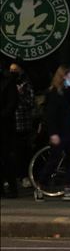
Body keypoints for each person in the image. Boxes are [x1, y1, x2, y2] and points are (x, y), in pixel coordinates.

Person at [36, 66, 70, 201]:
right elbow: (50, 115)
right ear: (64, 76)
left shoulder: (69, 91)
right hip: (59, 131)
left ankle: (68, 187)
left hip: (69, 130)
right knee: (54, 159)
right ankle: (40, 186)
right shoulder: (53, 93)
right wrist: (53, 133)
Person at [10, 63, 35, 195]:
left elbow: (30, 103)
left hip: (23, 123)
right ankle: (14, 176)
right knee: (13, 152)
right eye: (11, 70)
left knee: (24, 150)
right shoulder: (8, 83)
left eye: (15, 70)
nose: (12, 72)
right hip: (10, 123)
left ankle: (25, 176)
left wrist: (19, 94)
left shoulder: (26, 84)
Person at [1, 66, 20, 198]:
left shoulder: (8, 82)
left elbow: (12, 104)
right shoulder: (8, 82)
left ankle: (12, 187)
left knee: (6, 157)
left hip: (5, 126)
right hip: (5, 123)